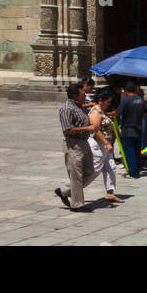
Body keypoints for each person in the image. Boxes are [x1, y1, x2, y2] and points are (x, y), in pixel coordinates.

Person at [55, 82, 99, 211]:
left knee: (90, 170)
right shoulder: (66, 109)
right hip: (73, 144)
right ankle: (77, 204)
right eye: (82, 94)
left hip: (84, 142)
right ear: (75, 96)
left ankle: (64, 190)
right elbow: (67, 130)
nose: (85, 96)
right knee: (76, 175)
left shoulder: (80, 107)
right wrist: (88, 128)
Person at [90, 89, 123, 204]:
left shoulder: (102, 111)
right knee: (95, 169)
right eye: (107, 102)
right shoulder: (96, 112)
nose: (109, 104)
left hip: (105, 144)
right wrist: (106, 143)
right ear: (101, 100)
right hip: (99, 144)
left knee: (111, 168)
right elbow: (96, 130)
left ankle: (110, 193)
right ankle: (71, 188)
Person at [117, 82, 147, 179]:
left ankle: (132, 173)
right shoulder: (140, 100)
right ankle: (137, 170)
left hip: (127, 129)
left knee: (129, 153)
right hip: (138, 129)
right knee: (137, 151)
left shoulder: (125, 100)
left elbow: (117, 113)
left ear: (126, 91)